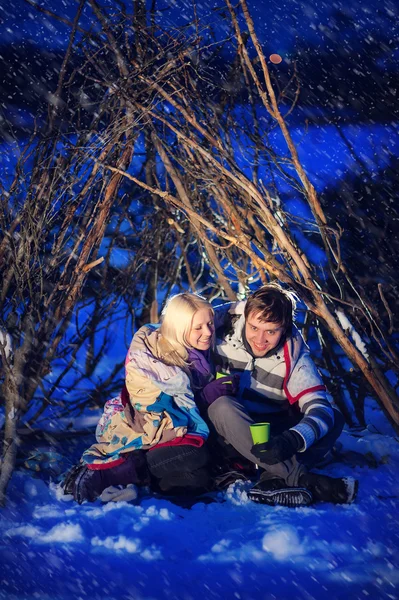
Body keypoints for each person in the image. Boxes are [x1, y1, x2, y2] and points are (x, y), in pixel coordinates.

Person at [199, 283, 358, 507]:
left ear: (284, 328)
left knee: (332, 418)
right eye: (254, 328)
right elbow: (174, 328)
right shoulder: (220, 326)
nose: (260, 339)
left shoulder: (293, 355)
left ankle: (271, 479)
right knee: (221, 406)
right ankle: (300, 478)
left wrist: (292, 440)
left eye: (271, 331)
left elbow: (319, 408)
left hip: (270, 437)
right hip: (224, 434)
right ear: (246, 316)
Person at [63, 293, 216, 504]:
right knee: (196, 456)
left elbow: (228, 313)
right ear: (178, 328)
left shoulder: (196, 351)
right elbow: (158, 407)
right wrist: (207, 395)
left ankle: (144, 480)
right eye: (198, 327)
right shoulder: (154, 356)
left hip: (173, 432)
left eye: (209, 323)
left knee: (198, 479)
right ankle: (118, 469)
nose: (208, 332)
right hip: (153, 429)